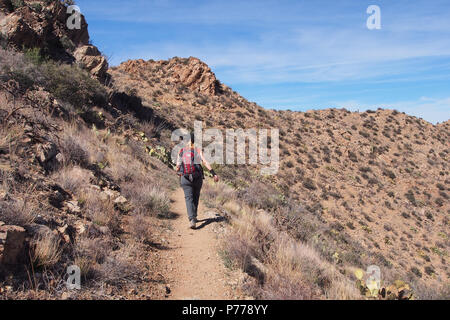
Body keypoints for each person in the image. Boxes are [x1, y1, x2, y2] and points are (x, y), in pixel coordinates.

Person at [176, 133, 219, 229]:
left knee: (188, 198)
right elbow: (205, 162)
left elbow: (178, 166)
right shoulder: (197, 150)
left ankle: (191, 219)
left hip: (185, 177)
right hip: (197, 177)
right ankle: (194, 215)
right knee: (196, 196)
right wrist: (213, 173)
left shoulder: (181, 151)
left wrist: (178, 171)